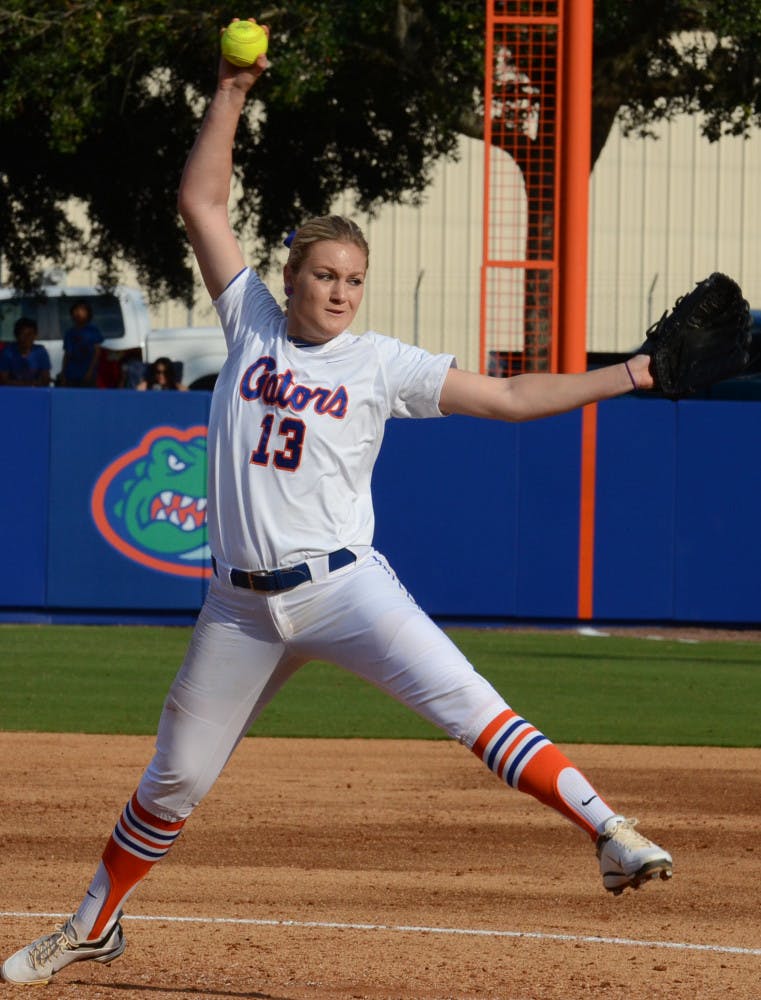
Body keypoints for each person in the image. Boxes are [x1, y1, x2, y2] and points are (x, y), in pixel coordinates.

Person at [1, 19, 673, 987]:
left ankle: (606, 829)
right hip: (238, 604)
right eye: (325, 274)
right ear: (292, 274)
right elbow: (199, 198)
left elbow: (513, 398)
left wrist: (634, 371)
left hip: (343, 587)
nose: (340, 292)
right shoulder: (252, 323)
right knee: (177, 777)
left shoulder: (380, 363)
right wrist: (231, 88)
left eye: (353, 279)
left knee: (469, 706)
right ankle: (93, 923)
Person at [59, 299, 104, 387]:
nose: (78, 313)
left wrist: (90, 372)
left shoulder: (93, 331)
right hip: (71, 375)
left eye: (82, 310)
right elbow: (67, 354)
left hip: (87, 374)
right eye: (76, 310)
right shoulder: (69, 333)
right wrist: (63, 373)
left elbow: (97, 353)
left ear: (88, 313)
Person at [0, 317, 51, 387]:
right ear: (16, 335)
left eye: (30, 334)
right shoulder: (7, 352)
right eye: (23, 334)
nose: (26, 338)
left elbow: (45, 380)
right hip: (12, 393)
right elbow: (3, 380)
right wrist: (28, 384)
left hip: (35, 393)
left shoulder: (40, 352)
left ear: (35, 335)